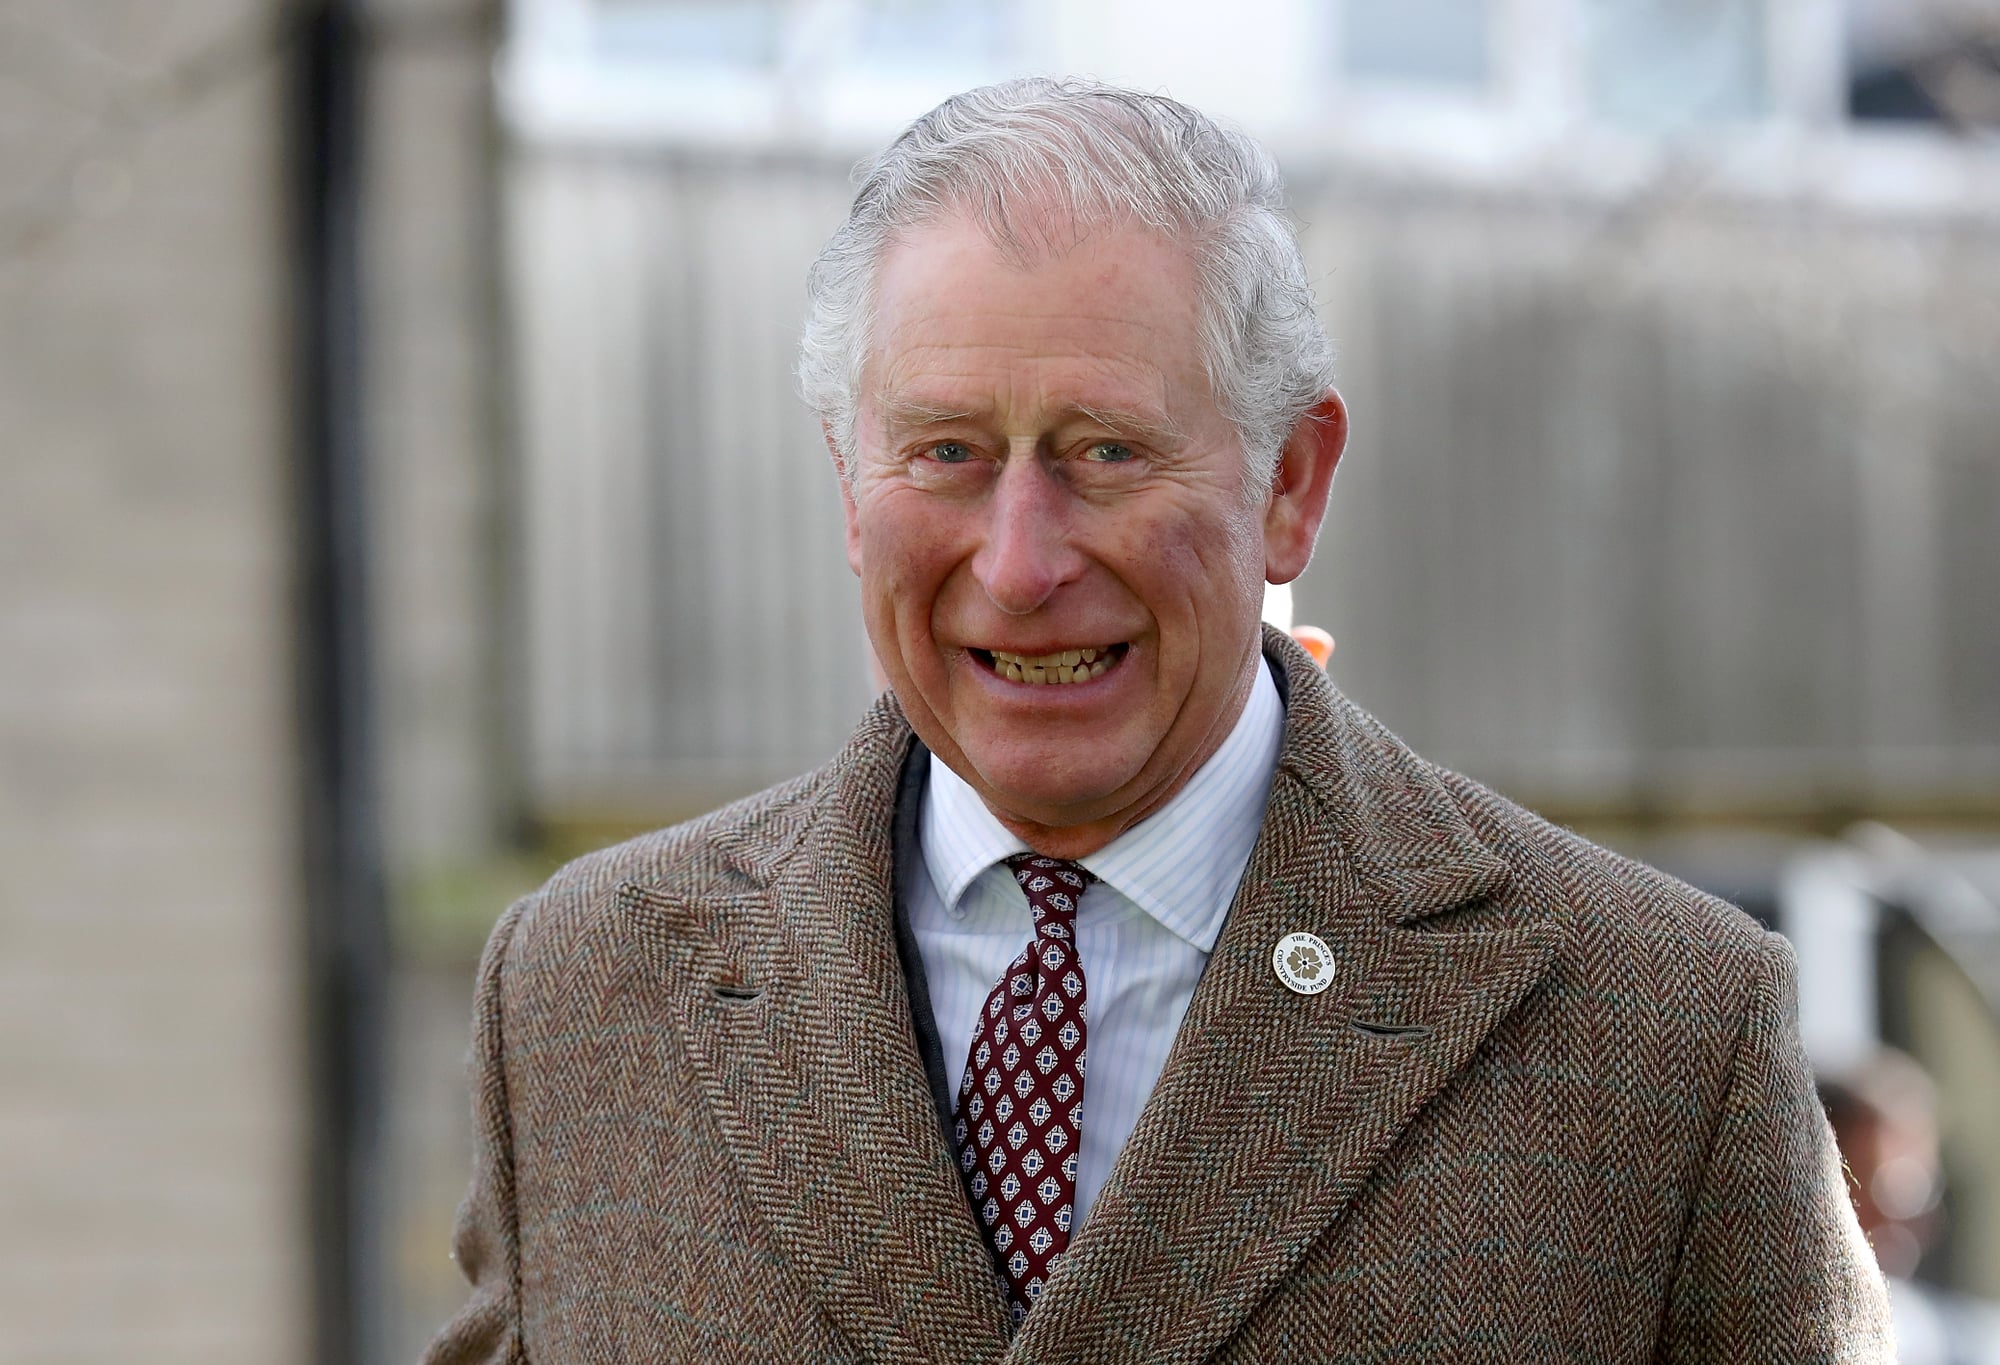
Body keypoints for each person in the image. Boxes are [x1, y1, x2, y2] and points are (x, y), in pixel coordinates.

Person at [427, 78, 1890, 1362]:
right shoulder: (581, 992)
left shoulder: (1661, 1032)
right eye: (944, 453)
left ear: (1291, 483)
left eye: (1105, 451)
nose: (1019, 560)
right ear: (844, 480)